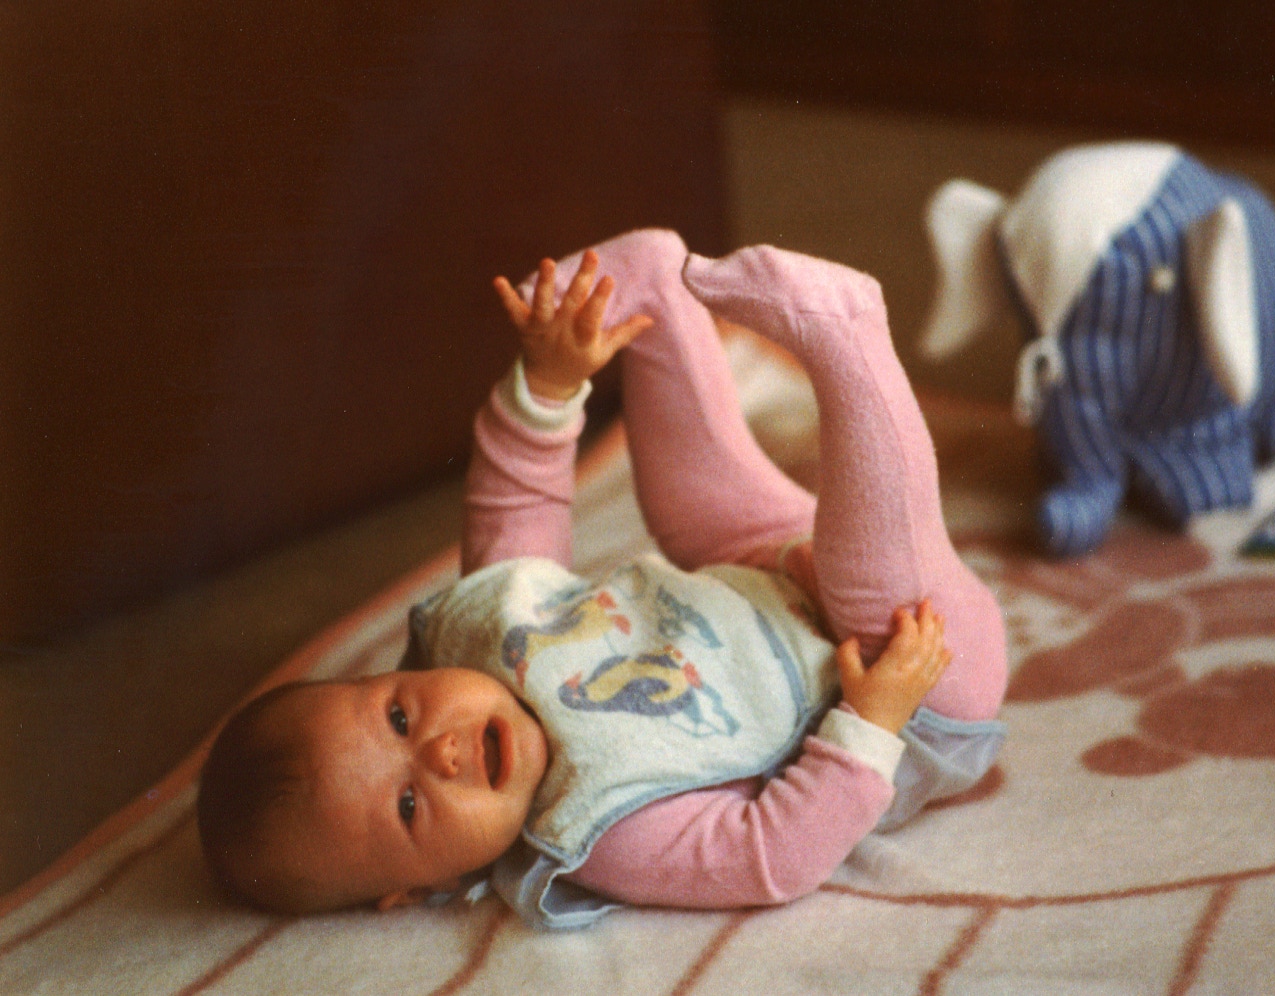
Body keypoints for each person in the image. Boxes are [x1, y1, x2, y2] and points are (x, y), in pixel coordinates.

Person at [196, 231, 1009, 928]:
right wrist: (871, 720)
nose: (440, 750)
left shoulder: (476, 637)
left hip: (757, 569)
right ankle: (847, 338)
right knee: (880, 589)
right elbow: (770, 855)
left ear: (393, 677)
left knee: (697, 509)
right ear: (417, 889)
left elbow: (515, 503)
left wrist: (547, 385)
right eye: (408, 807)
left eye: (399, 717)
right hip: (913, 686)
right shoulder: (602, 828)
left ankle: (651, 296)